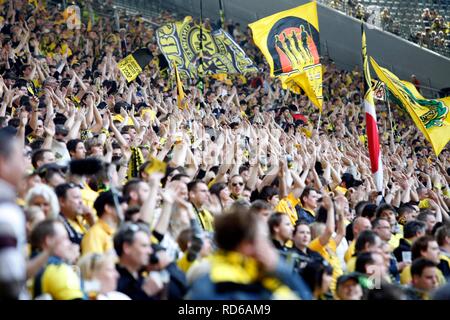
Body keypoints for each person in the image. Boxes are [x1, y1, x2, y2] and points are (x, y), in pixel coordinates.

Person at [186, 208, 312, 299]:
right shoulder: (244, 287)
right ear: (248, 245)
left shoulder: (204, 271)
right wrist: (279, 266)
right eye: (263, 239)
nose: (268, 246)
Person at [0, 130, 27, 300]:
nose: (25, 166)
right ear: (2, 162)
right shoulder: (6, 211)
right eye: (21, 158)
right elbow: (11, 284)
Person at [30, 219, 83, 300]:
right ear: (49, 241)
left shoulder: (28, 263)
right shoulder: (58, 269)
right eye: (65, 238)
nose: (70, 244)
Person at [113, 222, 164, 300]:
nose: (150, 251)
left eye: (149, 246)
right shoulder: (113, 279)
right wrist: (145, 293)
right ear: (126, 247)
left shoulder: (142, 278)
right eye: (144, 246)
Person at [81, 191, 127, 255]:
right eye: (120, 203)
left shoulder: (118, 232)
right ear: (107, 208)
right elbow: (93, 263)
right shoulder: (94, 234)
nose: (125, 207)